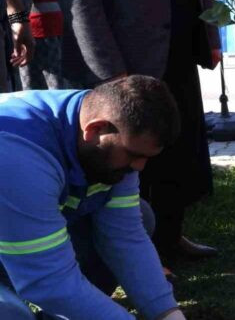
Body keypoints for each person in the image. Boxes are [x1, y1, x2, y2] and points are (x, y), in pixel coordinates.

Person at [43, 0, 221, 268]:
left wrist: (210, 35)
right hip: (122, 63)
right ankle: (131, 254)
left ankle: (169, 238)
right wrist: (111, 74)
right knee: (130, 163)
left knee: (177, 154)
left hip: (177, 50)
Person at [0, 75, 186, 320]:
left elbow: (124, 235)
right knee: (12, 314)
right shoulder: (17, 156)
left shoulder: (109, 130)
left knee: (142, 216)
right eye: (133, 155)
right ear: (95, 130)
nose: (139, 167)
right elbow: (47, 282)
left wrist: (167, 313)